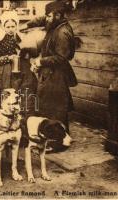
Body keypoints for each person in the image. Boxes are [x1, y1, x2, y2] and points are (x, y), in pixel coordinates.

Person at [26, 1, 78, 151]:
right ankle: (59, 139)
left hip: (58, 74)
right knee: (52, 106)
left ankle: (58, 144)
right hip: (50, 72)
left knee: (56, 108)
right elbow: (41, 19)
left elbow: (62, 57)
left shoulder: (62, 32)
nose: (46, 18)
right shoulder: (54, 23)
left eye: (49, 16)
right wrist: (26, 25)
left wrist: (40, 61)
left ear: (58, 15)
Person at [0, 11, 37, 108]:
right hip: (7, 72)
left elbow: (32, 52)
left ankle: (25, 114)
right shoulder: (0, 40)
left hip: (24, 70)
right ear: (4, 27)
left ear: (16, 26)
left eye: (13, 26)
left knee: (25, 92)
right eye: (8, 27)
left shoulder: (22, 38)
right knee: (8, 94)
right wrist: (8, 58)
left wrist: (27, 53)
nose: (10, 29)